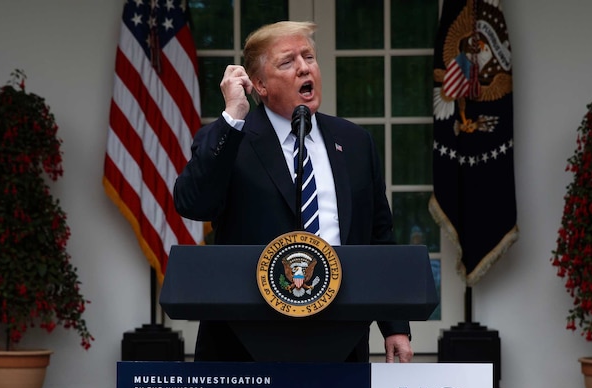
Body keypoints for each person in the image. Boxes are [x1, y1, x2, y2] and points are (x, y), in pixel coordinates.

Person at [175, 20, 413, 366]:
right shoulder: (231, 139)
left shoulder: (355, 142)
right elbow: (193, 203)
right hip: (247, 341)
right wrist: (232, 117)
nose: (304, 67)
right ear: (259, 85)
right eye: (287, 62)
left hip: (340, 335)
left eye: (309, 57)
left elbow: (379, 236)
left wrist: (395, 326)